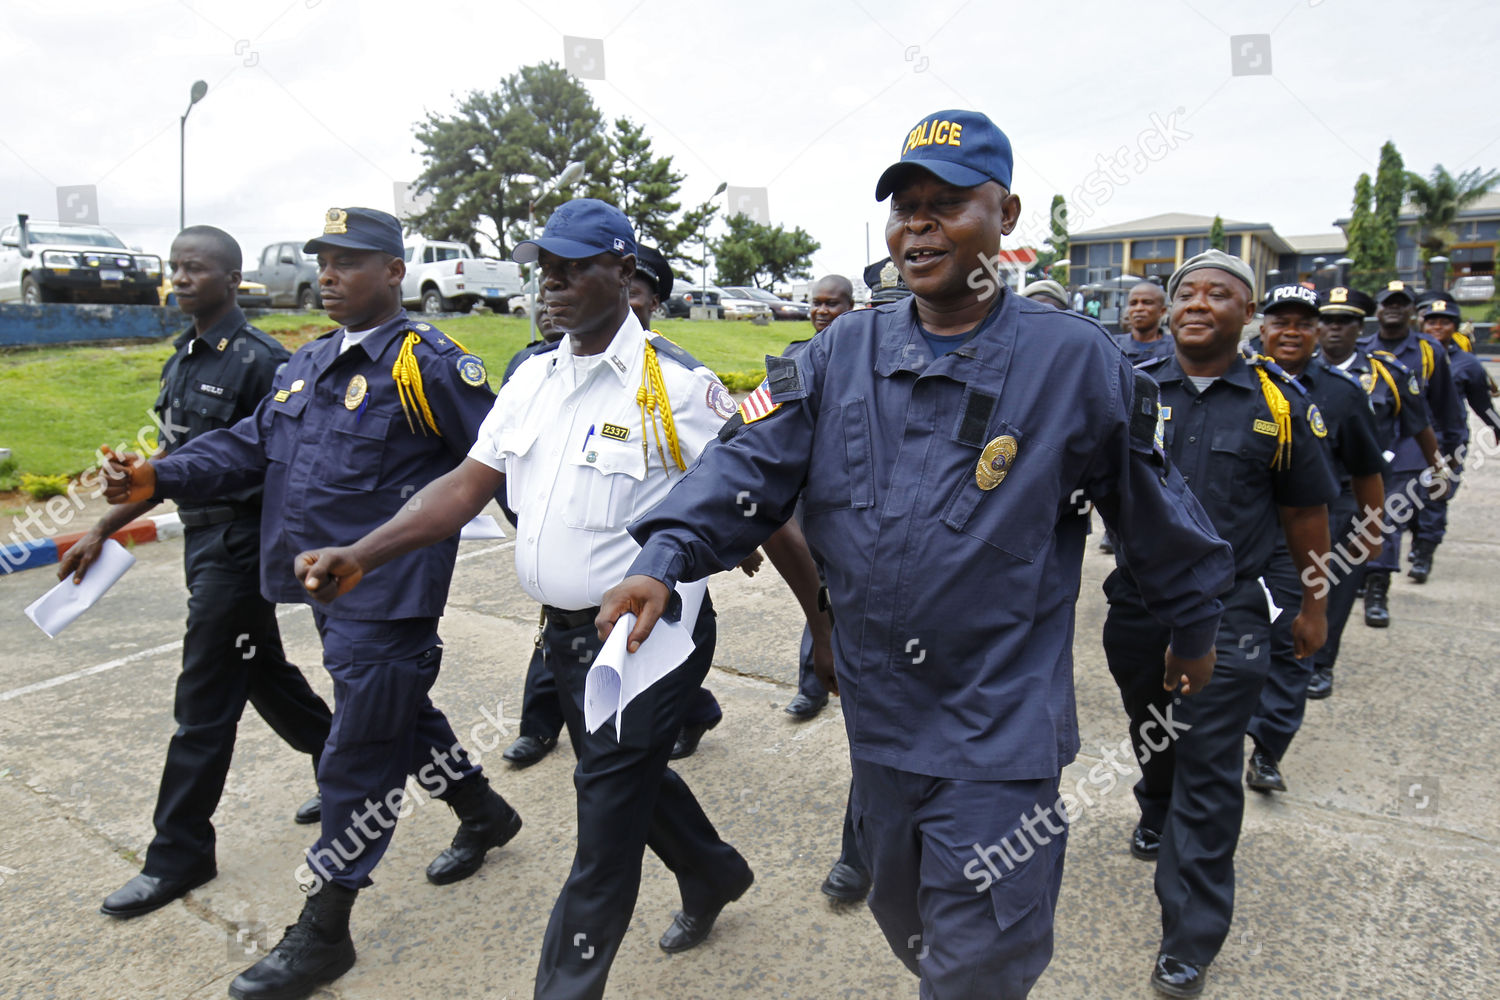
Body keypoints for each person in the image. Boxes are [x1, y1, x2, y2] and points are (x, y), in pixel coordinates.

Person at [595, 110, 1235, 999]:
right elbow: (744, 466)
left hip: (998, 738)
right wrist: (662, 558)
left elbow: (1155, 517)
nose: (919, 226)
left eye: (946, 204)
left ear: (1005, 217)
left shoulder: (1076, 364)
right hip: (881, 729)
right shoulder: (837, 354)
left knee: (975, 968)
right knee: (912, 926)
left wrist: (1193, 634)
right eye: (905, 208)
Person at [292, 200, 765, 1000]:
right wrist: (364, 554)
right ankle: (715, 871)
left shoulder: (679, 385)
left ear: (624, 273)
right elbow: (463, 486)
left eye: (573, 268)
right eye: (543, 269)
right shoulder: (532, 380)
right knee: (625, 779)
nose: (551, 285)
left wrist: (823, 623)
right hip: (566, 641)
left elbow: (761, 488)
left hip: (650, 641)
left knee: (602, 834)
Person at [101, 207, 522, 1000]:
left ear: (394, 272)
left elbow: (497, 462)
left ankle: (325, 929)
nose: (328, 275)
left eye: (349, 261)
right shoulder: (310, 361)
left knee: (356, 759)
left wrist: (559, 561)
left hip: (389, 591)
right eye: (322, 261)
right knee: (396, 709)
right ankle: (483, 810)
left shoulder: (426, 364)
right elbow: (248, 443)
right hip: (322, 589)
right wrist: (160, 478)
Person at [64, 226, 331, 921]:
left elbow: (287, 469)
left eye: (197, 269)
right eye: (175, 268)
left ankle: (179, 852)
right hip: (202, 544)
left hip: (240, 550)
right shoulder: (182, 358)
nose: (181, 279)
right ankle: (349, 769)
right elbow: (177, 466)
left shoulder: (263, 363)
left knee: (202, 704)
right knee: (262, 673)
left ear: (233, 279)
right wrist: (100, 527)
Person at [1105, 253, 1336, 998]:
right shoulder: (1126, 390)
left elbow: (1305, 515)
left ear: (1250, 315)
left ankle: (1190, 934)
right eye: (1187, 293)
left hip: (1230, 613)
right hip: (1137, 608)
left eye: (1221, 294)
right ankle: (1155, 805)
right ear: (1169, 311)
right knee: (1154, 734)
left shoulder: (1281, 405)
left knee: (1209, 767)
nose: (1199, 302)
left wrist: (1314, 605)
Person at [1241, 285, 1385, 795]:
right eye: (1281, 322)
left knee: (1295, 639)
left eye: (1304, 323)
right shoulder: (1243, 384)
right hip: (1251, 528)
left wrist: (1372, 530)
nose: (1292, 332)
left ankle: (1269, 750)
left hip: (1314, 530)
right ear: (1263, 328)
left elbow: (1367, 470)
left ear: (1317, 331)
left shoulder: (1343, 394)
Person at [1306, 286, 1437, 696]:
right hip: (1301, 493)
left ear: (1359, 328)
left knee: (1340, 585)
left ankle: (1321, 663)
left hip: (1353, 493)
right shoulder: (1291, 371)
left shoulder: (1387, 372)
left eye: (1343, 322)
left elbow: (1419, 425)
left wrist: (1438, 468)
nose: (1333, 330)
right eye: (1326, 321)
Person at [1357, 280, 1464, 624]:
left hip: (1412, 451)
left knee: (1386, 520)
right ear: (1378, 309)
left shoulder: (1429, 351)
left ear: (1412, 311)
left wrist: (1446, 461)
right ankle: (1359, 574)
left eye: (1402, 303)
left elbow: (1448, 411)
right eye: (1388, 302)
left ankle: (1377, 590)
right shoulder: (1361, 349)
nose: (1394, 308)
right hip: (1369, 448)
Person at [500, 290, 569, 768]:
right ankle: (539, 728)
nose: (547, 302)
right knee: (556, 631)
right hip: (548, 528)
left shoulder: (656, 373)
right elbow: (501, 457)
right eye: (542, 292)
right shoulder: (527, 369)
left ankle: (694, 709)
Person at [782, 273, 855, 721]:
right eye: (816, 303)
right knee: (817, 586)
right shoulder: (792, 357)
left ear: (851, 307)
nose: (822, 311)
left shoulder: (864, 354)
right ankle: (812, 685)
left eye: (832, 304)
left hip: (854, 491)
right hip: (809, 492)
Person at [1413, 293, 1500, 582]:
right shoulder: (1408, 355)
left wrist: (1497, 427)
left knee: (1436, 497)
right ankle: (1413, 542)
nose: (1437, 328)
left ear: (1455, 327)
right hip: (1409, 439)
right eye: (1432, 322)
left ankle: (1424, 553)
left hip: (1448, 441)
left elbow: (1482, 403)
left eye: (1445, 323)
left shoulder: (1468, 364)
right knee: (1403, 499)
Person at [1115, 280, 1174, 364]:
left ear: (1162, 311)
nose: (1138, 308)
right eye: (1133, 303)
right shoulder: (1113, 346)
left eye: (1147, 303)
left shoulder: (1176, 350)